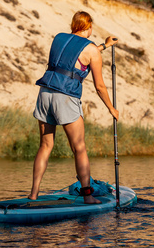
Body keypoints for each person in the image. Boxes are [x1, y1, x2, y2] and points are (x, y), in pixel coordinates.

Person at [28, 11, 119, 204]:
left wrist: (104, 45)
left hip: (45, 93)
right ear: (89, 27)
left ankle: (33, 194)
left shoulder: (59, 38)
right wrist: (111, 108)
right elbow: (99, 86)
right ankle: (88, 196)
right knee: (79, 148)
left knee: (45, 145)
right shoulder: (92, 50)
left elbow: (74, 54)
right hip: (66, 98)